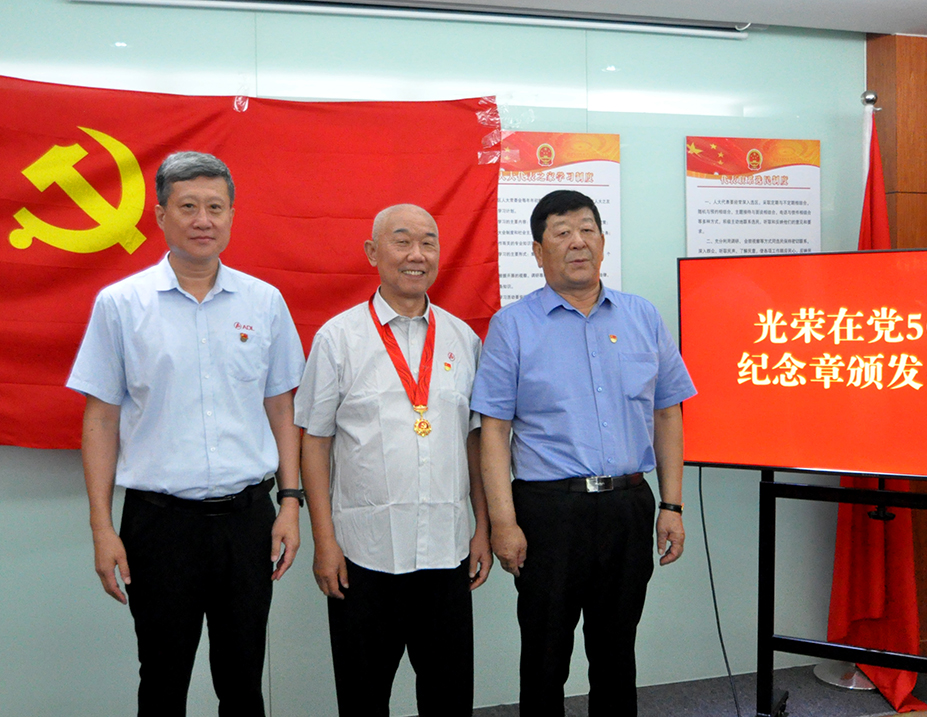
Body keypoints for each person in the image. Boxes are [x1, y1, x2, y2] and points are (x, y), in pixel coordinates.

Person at [67, 151, 306, 717]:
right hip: (159, 525)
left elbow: (281, 407)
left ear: (232, 216)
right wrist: (102, 528)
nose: (204, 220)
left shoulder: (264, 302)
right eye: (189, 207)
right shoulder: (121, 304)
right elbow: (100, 419)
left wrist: (290, 503)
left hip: (247, 520)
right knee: (162, 678)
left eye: (216, 208)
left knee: (243, 678)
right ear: (160, 215)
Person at [471, 189, 697, 716]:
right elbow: (493, 432)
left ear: (602, 240)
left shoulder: (642, 316)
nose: (578, 242)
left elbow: (668, 414)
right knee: (545, 653)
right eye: (562, 232)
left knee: (617, 650)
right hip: (549, 512)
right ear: (538, 250)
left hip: (628, 505)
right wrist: (503, 523)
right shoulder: (513, 325)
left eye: (587, 229)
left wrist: (672, 504)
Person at [295, 204, 492, 716]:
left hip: (447, 549)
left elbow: (476, 441)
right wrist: (324, 541)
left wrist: (483, 527)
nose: (416, 255)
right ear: (372, 253)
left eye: (428, 242)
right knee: (363, 699)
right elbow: (314, 442)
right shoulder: (338, 338)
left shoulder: (463, 339)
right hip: (364, 555)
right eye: (402, 241)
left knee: (449, 699)